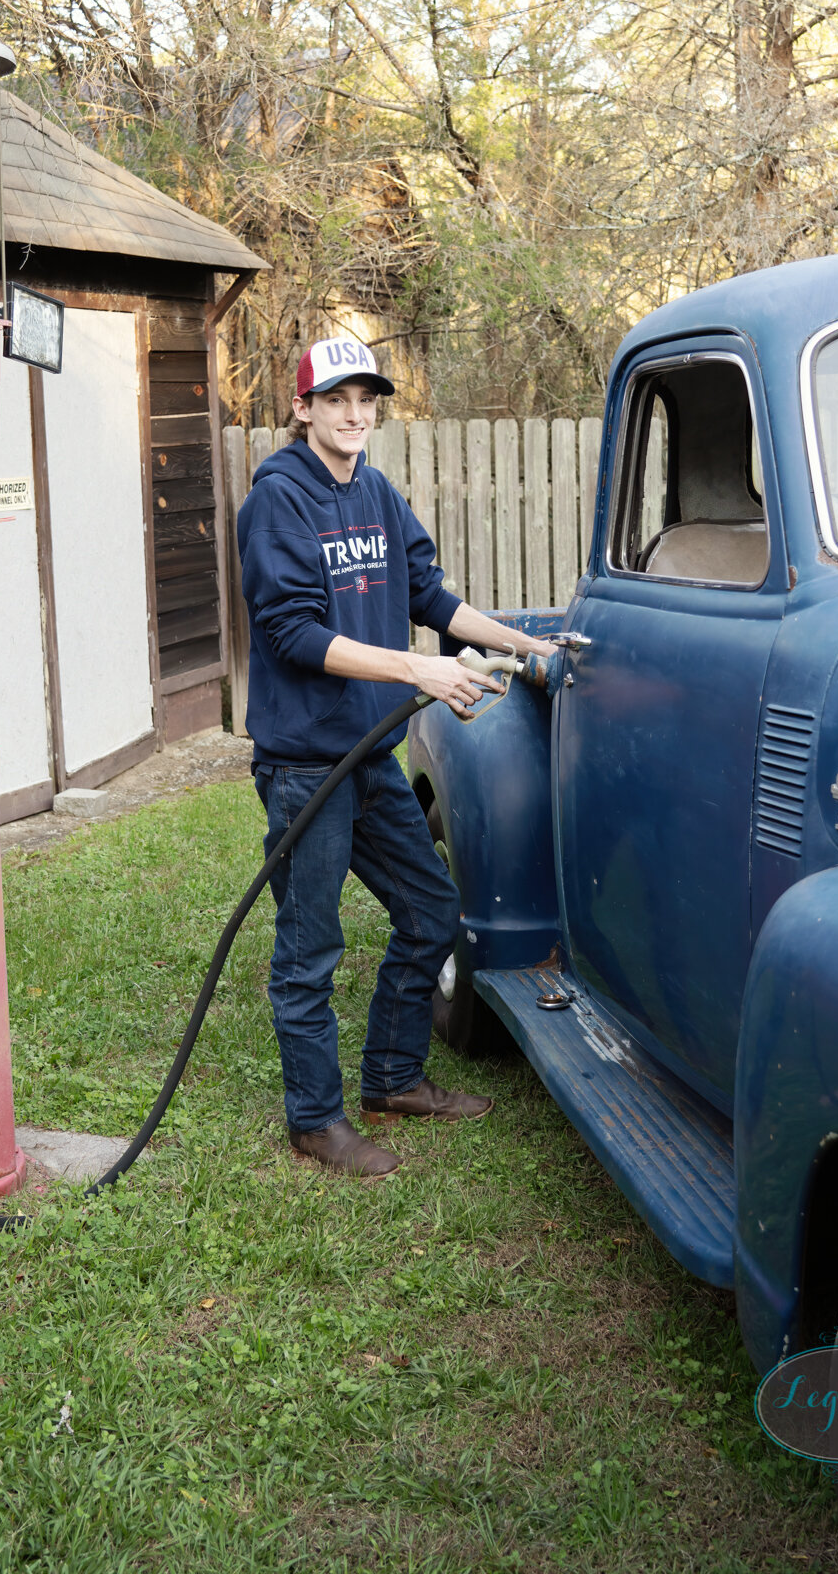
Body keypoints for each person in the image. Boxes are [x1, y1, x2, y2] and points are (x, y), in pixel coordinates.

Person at [237, 338, 557, 1177]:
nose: (353, 414)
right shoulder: (279, 499)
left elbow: (429, 597)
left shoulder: (374, 491)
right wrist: (416, 667)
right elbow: (291, 633)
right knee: (309, 952)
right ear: (302, 407)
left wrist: (526, 645)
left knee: (430, 911)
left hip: (369, 755)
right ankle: (315, 1120)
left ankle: (391, 1080)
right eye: (336, 399)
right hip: (308, 765)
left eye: (366, 400)